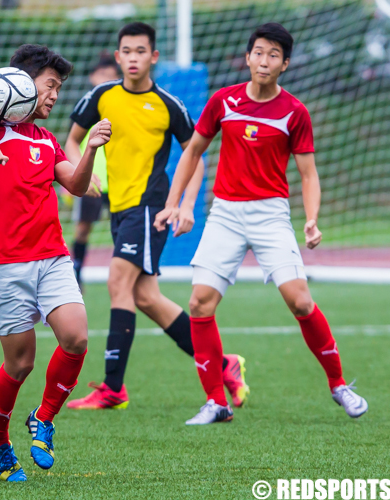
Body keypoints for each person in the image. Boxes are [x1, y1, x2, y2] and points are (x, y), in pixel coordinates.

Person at [154, 23, 368, 425]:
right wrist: (176, 204)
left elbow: (308, 174)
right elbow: (192, 152)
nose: (264, 60)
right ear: (248, 56)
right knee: (200, 303)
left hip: (270, 214)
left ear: (284, 64)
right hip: (226, 213)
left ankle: (339, 385)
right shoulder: (223, 101)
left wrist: (312, 220)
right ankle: (216, 401)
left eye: (273, 54)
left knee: (300, 300)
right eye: (258, 52)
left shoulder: (295, 112)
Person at [0, 45, 111, 482]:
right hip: (3, 265)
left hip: (52, 257)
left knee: (76, 338)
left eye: (59, 87)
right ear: (20, 83)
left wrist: (91, 148)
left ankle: (44, 418)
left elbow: (74, 185)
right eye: (50, 85)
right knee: (20, 364)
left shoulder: (46, 139)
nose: (55, 95)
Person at [65, 22, 248, 411]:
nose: (133, 58)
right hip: (120, 208)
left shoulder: (168, 104)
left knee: (118, 281)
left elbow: (195, 155)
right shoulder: (100, 96)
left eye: (140, 51)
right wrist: (82, 171)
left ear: (153, 57)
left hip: (149, 207)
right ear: (118, 57)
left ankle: (113, 388)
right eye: (126, 51)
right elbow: (72, 138)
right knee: (146, 297)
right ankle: (224, 364)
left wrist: (184, 205)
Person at [70, 54, 119, 287]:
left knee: (122, 230)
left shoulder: (122, 106)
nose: (106, 80)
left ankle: (126, 275)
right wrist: (74, 178)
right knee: (83, 229)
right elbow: (71, 143)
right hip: (93, 180)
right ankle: (76, 274)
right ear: (92, 78)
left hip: (119, 180)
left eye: (111, 76)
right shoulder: (86, 109)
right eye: (102, 76)